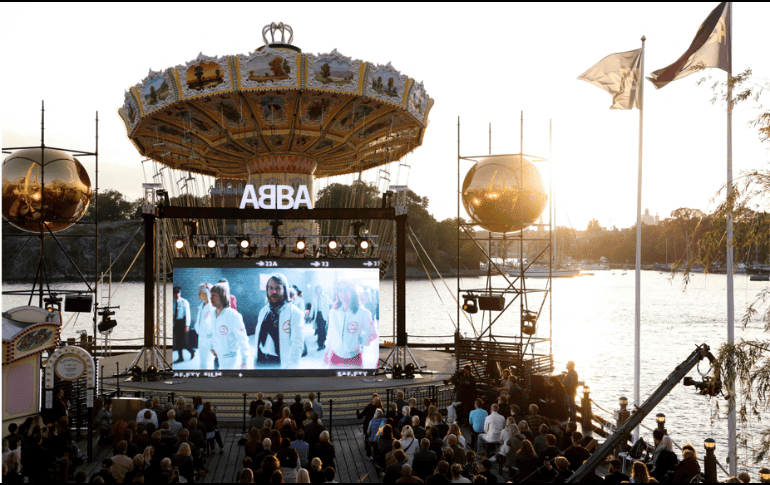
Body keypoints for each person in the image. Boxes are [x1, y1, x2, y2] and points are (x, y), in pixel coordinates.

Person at [254, 274, 304, 368]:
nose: (273, 291)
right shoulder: (263, 311)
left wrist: (291, 368)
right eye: (270, 288)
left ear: (284, 290)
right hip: (261, 360)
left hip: (281, 363)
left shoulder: (295, 313)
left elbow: (297, 345)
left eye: (278, 288)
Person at [324, 279, 377, 367]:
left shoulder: (363, 313)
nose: (343, 294)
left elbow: (373, 334)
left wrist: (358, 340)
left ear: (352, 291)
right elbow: (330, 335)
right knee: (334, 381)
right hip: (335, 357)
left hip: (354, 358)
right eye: (340, 290)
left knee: (354, 381)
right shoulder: (333, 312)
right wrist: (326, 356)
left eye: (346, 290)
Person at [210, 281, 250, 369]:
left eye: (214, 295)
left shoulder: (234, 316)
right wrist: (213, 346)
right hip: (219, 356)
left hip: (231, 358)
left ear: (222, 297)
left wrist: (244, 360)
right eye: (211, 295)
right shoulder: (213, 314)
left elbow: (243, 340)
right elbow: (214, 332)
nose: (211, 298)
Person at [196, 283, 216, 369]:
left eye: (200, 292)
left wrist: (213, 345)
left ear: (206, 293)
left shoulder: (212, 308)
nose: (198, 294)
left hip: (210, 340)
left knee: (208, 364)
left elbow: (215, 327)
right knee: (202, 363)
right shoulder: (201, 307)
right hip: (201, 339)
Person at [172, 286, 194, 363]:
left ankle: (192, 351)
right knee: (178, 341)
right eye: (175, 293)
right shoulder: (173, 303)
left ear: (180, 293)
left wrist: (187, 325)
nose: (176, 294)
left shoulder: (184, 302)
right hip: (176, 323)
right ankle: (180, 357)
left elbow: (188, 314)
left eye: (178, 293)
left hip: (182, 322)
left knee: (183, 341)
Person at [309, 285, 332, 351]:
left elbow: (328, 306)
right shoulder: (314, 298)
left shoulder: (325, 297)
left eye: (319, 290)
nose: (318, 291)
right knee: (319, 330)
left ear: (321, 290)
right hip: (318, 315)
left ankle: (322, 342)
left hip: (324, 315)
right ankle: (320, 344)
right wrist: (310, 316)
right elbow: (312, 308)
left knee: (323, 329)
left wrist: (328, 316)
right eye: (317, 290)